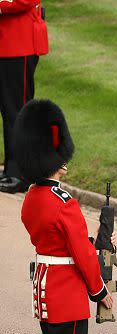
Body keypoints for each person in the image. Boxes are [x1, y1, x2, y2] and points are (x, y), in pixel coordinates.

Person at [15, 99, 113, 334]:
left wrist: (91, 239)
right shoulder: (64, 203)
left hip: (45, 292)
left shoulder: (32, 198)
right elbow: (82, 257)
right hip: (67, 296)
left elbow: (60, 241)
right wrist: (100, 291)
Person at [0, 0, 48, 193]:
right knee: (7, 109)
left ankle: (20, 173)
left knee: (16, 110)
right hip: (6, 43)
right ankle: (10, 168)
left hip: (18, 44)